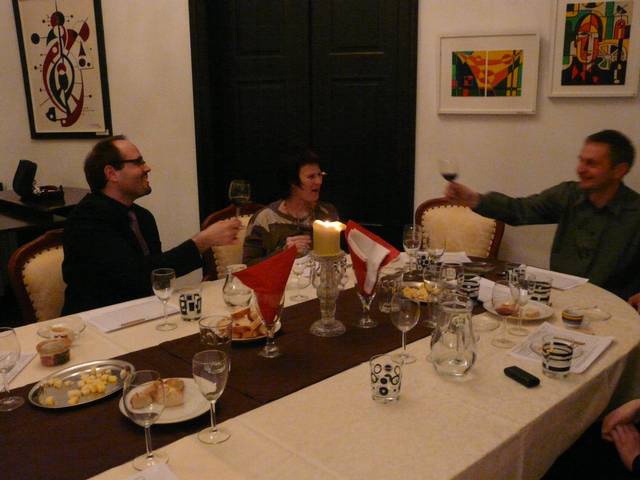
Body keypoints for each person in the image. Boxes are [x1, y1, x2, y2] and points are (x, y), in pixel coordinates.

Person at [445, 130, 640, 303]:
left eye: (592, 163)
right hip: (562, 301)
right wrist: (475, 199)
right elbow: (519, 210)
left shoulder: (635, 212)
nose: (580, 169)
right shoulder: (568, 195)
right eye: (581, 160)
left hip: (614, 310)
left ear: (619, 170)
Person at [62, 135, 241, 314]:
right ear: (111, 173)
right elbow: (134, 276)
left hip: (143, 312)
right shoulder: (86, 220)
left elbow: (157, 275)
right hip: (96, 319)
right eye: (138, 162)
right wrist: (202, 241)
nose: (147, 168)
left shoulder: (142, 216)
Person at [242, 146, 338, 265]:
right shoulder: (265, 219)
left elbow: (339, 258)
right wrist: (283, 253)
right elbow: (248, 266)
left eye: (320, 175)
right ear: (292, 181)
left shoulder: (327, 212)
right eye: (311, 177)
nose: (319, 181)